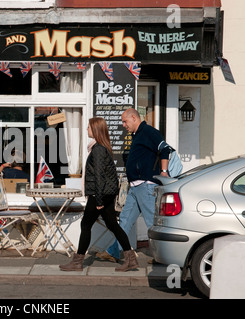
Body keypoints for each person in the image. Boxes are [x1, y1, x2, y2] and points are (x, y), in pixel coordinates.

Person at [60, 117, 138, 272]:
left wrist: (99, 200)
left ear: (95, 130)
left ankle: (77, 262)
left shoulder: (98, 150)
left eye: (88, 127)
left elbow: (98, 176)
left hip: (99, 194)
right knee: (112, 225)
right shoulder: (100, 148)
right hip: (105, 193)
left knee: (86, 224)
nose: (87, 130)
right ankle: (130, 260)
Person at [97, 108, 169, 263]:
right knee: (124, 220)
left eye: (125, 121)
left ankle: (162, 256)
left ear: (134, 118)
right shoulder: (136, 135)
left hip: (145, 185)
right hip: (135, 187)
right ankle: (114, 251)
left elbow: (165, 149)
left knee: (151, 222)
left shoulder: (149, 132)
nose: (124, 125)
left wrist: (163, 171)